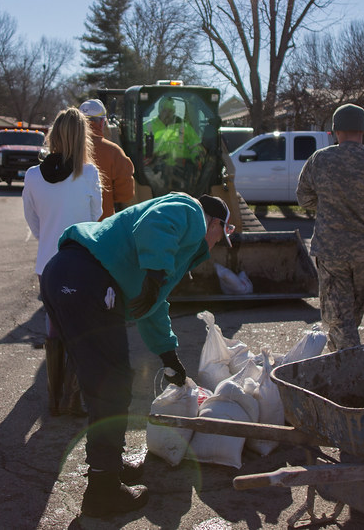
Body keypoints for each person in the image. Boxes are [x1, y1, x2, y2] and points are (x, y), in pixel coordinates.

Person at [39, 192, 235, 518]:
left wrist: (168, 354)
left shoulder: (172, 248)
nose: (216, 244)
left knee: (103, 382)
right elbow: (156, 223)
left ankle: (109, 465)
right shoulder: (189, 209)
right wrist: (155, 274)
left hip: (66, 274)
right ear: (214, 223)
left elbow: (152, 307)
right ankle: (102, 491)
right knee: (111, 386)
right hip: (88, 278)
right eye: (220, 235)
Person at [296, 103, 364, 351]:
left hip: (332, 251)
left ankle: (348, 362)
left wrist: (328, 204)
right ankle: (345, 357)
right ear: (363, 131)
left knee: (339, 318)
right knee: (352, 314)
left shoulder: (320, 160)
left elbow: (304, 198)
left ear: (336, 131)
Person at [23, 107, 103, 416]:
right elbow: (95, 217)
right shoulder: (89, 174)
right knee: (82, 331)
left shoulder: (33, 176)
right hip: (80, 264)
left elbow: (33, 221)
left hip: (47, 265)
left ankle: (54, 400)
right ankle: (73, 399)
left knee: (54, 329)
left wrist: (48, 239)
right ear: (83, 138)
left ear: (53, 135)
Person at [79, 99, 135, 218]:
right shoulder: (113, 152)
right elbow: (126, 194)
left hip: (68, 224)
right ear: (102, 123)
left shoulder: (64, 149)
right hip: (101, 224)